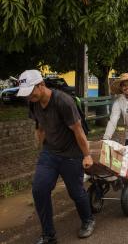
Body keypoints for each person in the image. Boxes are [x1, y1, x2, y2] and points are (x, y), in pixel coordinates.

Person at [16, 70, 95, 244]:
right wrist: (40, 144)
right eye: (26, 93)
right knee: (39, 189)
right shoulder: (32, 102)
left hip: (71, 154)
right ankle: (49, 235)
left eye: (30, 91)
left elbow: (78, 130)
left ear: (41, 85)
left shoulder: (63, 101)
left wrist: (87, 156)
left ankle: (88, 220)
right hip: (50, 152)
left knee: (76, 192)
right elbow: (40, 124)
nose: (28, 96)